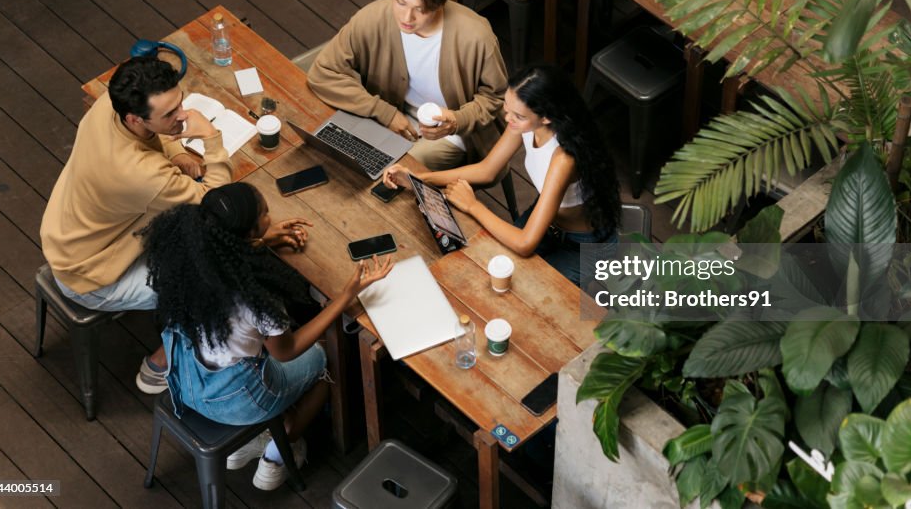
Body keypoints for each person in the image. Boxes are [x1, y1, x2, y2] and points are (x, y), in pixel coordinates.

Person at [140, 183, 393, 490]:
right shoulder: (257, 300)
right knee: (327, 357)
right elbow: (287, 351)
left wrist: (258, 242)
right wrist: (345, 297)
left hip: (189, 385)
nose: (269, 216)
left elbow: (228, 255)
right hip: (239, 399)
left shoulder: (190, 265)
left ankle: (247, 440)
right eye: (264, 213)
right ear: (248, 231)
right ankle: (277, 452)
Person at [40, 56, 235, 395]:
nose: (184, 116)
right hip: (91, 275)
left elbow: (152, 136)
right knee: (216, 278)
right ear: (135, 117)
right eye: (170, 115)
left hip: (69, 237)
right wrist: (212, 139)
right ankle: (162, 363)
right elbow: (215, 200)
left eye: (180, 104)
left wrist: (175, 150)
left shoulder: (109, 105)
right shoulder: (141, 174)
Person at [384, 65, 621, 286]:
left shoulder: (563, 158)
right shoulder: (525, 122)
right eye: (507, 109)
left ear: (546, 116)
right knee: (491, 269)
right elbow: (487, 170)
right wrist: (417, 178)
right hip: (547, 224)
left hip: (580, 246)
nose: (508, 119)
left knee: (525, 291)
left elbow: (525, 243)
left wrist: (473, 206)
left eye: (517, 115)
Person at [306, 0, 508, 170]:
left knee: (390, 169)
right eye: (400, 2)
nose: (406, 17)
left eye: (420, 9)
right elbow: (323, 72)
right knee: (338, 151)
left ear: (440, 3)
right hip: (390, 117)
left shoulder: (476, 37)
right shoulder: (373, 18)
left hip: (453, 133)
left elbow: (496, 97)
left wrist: (456, 120)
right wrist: (384, 112)